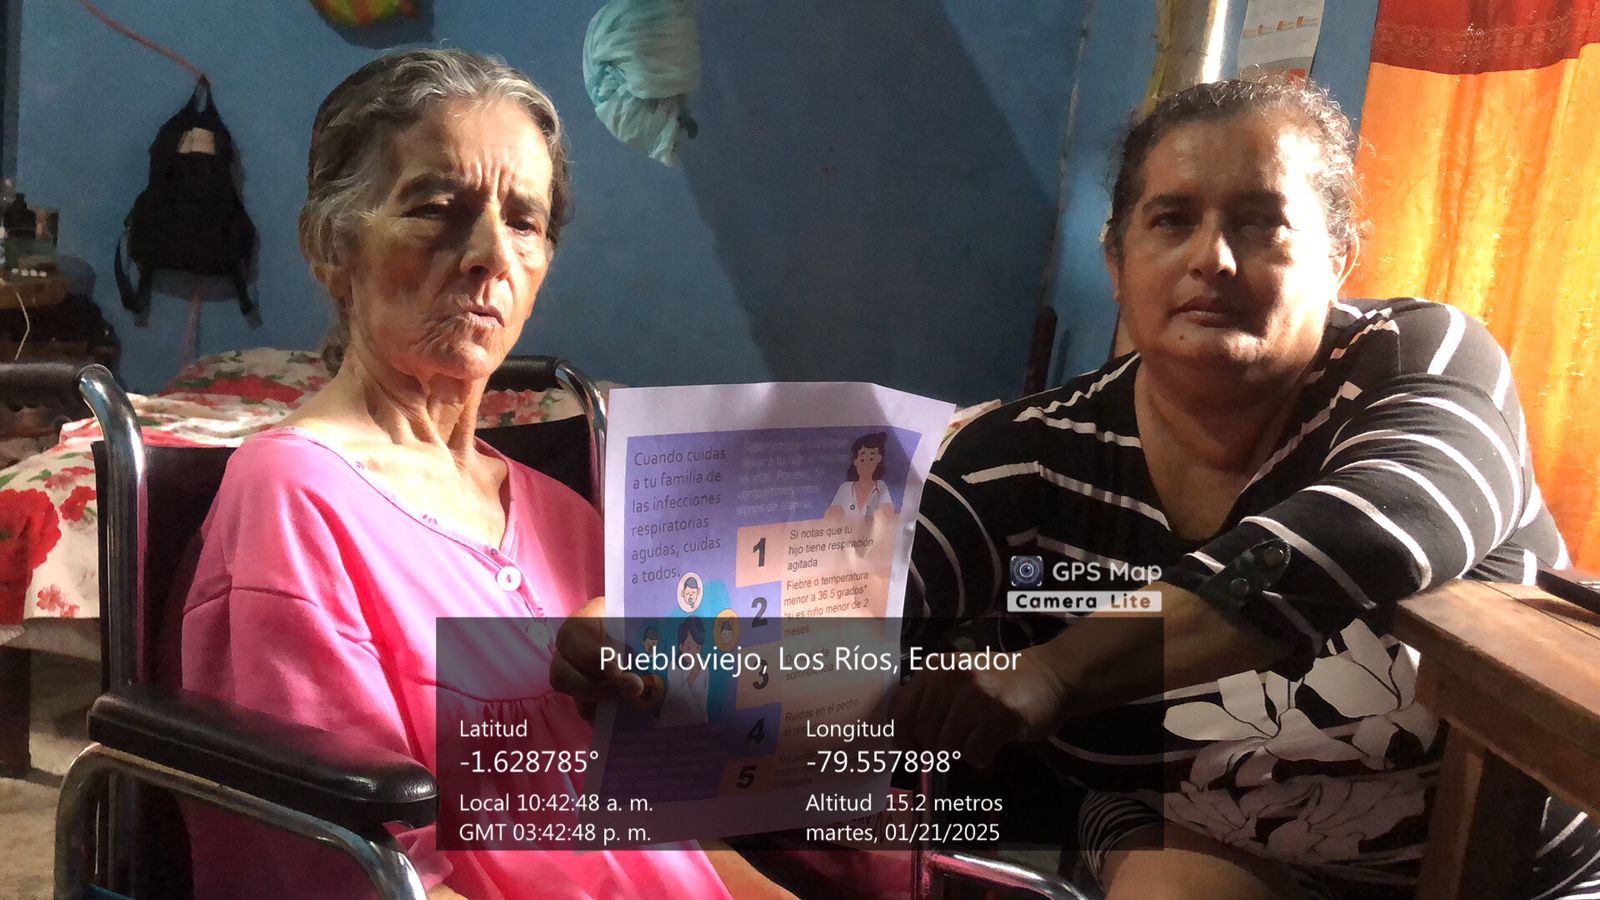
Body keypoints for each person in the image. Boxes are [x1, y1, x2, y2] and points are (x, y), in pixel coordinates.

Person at [894, 78, 1600, 899]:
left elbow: (1376, 532)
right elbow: (862, 597)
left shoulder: (1417, 362)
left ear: (1339, 260)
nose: (1213, 259)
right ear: (1117, 261)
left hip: (1511, 873)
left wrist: (1056, 673)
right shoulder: (1027, 458)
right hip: (1203, 840)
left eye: (1261, 224)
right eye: (1172, 220)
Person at [179, 49, 788, 900]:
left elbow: (673, 835)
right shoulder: (295, 498)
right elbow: (361, 870)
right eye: (436, 209)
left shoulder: (563, 517)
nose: (491, 255)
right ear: (332, 247)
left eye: (525, 222)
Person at [825, 432, 895, 519]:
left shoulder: (881, 486)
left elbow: (888, 513)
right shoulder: (845, 488)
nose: (866, 464)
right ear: (855, 461)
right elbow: (831, 516)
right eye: (862, 459)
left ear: (878, 460)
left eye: (871, 459)